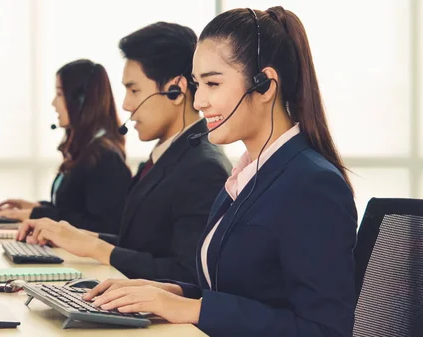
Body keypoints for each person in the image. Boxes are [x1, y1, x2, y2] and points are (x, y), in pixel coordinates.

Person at [82, 7, 357, 337]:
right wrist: (172, 292)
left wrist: (193, 309)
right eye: (198, 84)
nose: (199, 101)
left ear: (265, 85)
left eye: (212, 83)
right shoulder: (248, 177)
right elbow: (242, 293)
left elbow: (324, 330)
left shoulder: (312, 184)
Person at [16, 22, 231, 283]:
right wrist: (80, 236)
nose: (127, 105)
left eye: (134, 90)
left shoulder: (203, 168)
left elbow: (187, 275)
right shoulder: (167, 156)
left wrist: (97, 249)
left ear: (176, 90)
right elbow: (142, 246)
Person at [0, 59, 131, 235]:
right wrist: (33, 207)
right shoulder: (85, 151)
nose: (53, 103)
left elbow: (104, 226)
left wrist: (36, 214)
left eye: (59, 94)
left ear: (80, 101)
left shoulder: (104, 157)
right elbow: (73, 209)